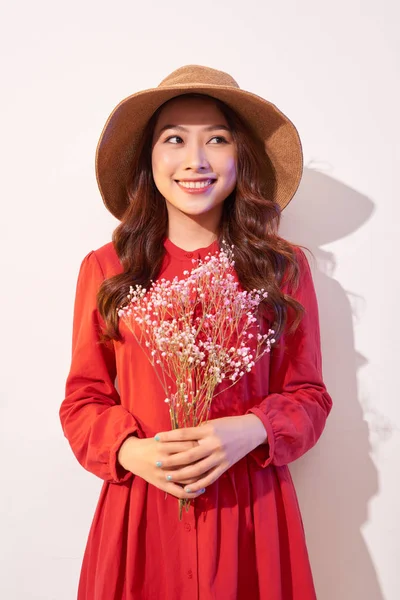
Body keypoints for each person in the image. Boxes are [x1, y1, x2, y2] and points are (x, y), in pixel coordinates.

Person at [60, 64, 333, 600]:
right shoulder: (106, 269)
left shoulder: (281, 270)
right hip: (142, 514)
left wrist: (251, 429)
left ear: (241, 157)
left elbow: (310, 397)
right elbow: (82, 401)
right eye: (175, 139)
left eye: (217, 138)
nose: (196, 160)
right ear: (150, 158)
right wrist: (132, 452)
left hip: (250, 515)